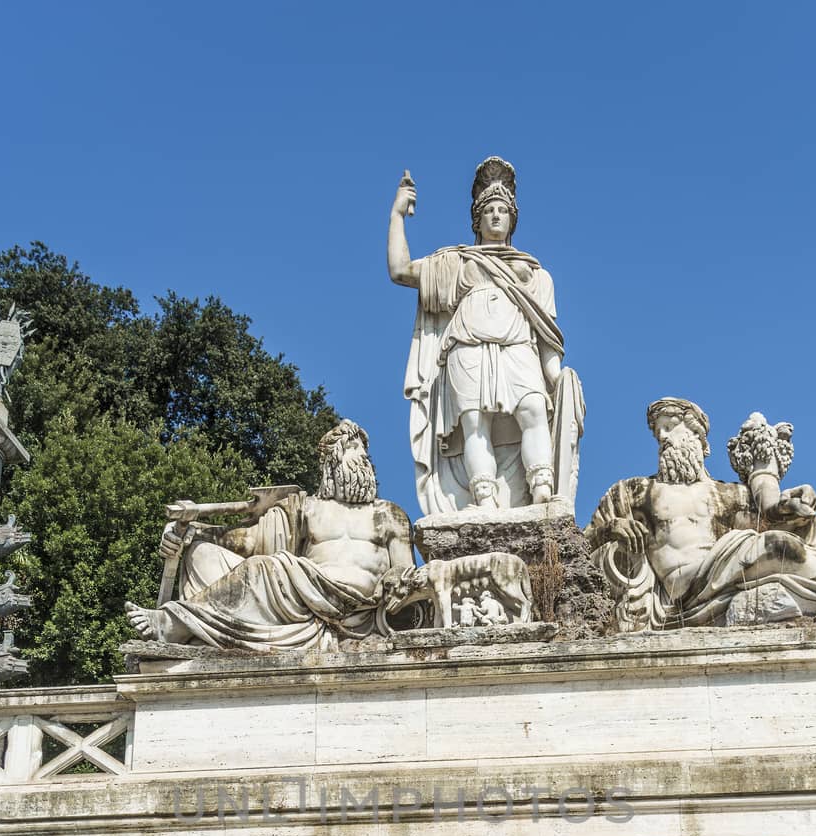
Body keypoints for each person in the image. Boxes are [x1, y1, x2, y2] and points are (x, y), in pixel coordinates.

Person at [587, 398, 816, 630]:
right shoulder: (633, 491)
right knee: (780, 548)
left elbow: (772, 516)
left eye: (669, 426)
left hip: (726, 571)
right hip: (683, 589)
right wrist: (612, 528)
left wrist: (794, 501)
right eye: (657, 430)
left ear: (696, 434)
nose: (661, 436)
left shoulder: (727, 494)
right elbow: (583, 541)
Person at [389, 158, 583, 517]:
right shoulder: (457, 263)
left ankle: (541, 490)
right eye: (489, 210)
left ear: (512, 219)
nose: (496, 216)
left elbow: (545, 337)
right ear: (477, 220)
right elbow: (401, 271)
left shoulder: (537, 274)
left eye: (502, 210)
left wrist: (558, 378)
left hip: (518, 346)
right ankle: (484, 500)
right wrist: (397, 216)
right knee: (475, 423)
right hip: (467, 348)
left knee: (534, 409)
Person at [125, 421, 415, 653]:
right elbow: (248, 541)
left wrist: (398, 580)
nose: (360, 457)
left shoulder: (390, 514)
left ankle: (174, 621)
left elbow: (405, 573)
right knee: (203, 553)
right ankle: (198, 625)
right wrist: (190, 532)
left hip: (359, 604)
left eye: (362, 450)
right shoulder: (306, 509)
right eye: (349, 449)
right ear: (329, 465)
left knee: (266, 567)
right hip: (301, 596)